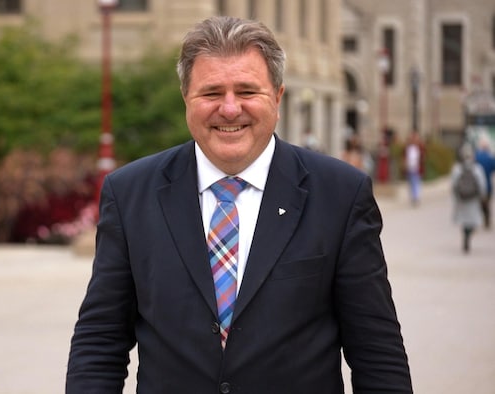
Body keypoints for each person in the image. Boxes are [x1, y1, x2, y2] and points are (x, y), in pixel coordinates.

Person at [67, 16, 412, 393]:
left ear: (277, 97)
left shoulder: (341, 195)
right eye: (211, 93)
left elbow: (376, 352)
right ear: (186, 98)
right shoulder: (131, 193)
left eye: (247, 91)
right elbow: (100, 341)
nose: (230, 109)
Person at [451, 143, 487, 253]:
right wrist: (482, 196)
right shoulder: (477, 168)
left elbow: (453, 185)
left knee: (464, 221)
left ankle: (465, 235)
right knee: (473, 221)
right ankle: (468, 235)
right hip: (473, 199)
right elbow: (482, 185)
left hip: (462, 199)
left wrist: (456, 197)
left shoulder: (457, 169)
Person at [474, 136, 494, 229]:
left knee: (477, 203)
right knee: (486, 203)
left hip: (476, 185)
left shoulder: (476, 156)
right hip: (488, 185)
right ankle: (486, 220)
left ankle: (477, 220)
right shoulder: (490, 158)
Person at [404, 131, 424, 206]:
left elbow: (422, 158)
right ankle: (413, 197)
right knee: (411, 183)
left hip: (416, 168)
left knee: (416, 182)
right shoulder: (408, 148)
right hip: (410, 168)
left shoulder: (419, 147)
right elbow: (405, 157)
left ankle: (416, 197)